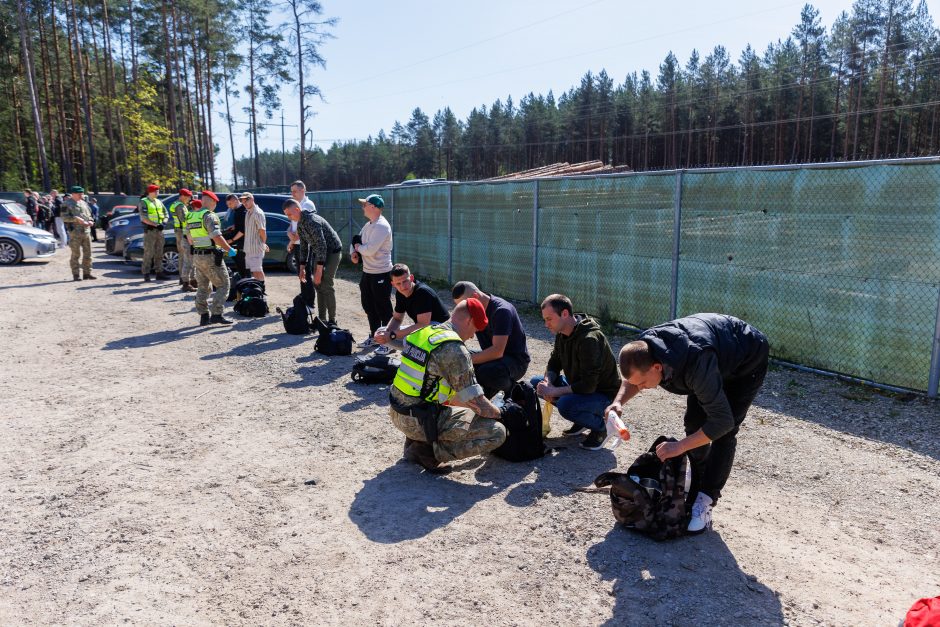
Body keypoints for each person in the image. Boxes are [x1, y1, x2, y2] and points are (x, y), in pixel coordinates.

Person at [605, 313, 770, 533]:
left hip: (747, 358)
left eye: (644, 383)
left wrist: (679, 446)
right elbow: (632, 378)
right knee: (694, 422)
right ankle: (698, 482)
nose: (641, 388)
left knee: (723, 433)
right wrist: (618, 403)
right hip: (713, 353)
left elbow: (722, 422)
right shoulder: (644, 348)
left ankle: (706, 499)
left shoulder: (695, 364)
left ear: (657, 367)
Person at [389, 298, 506, 472]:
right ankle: (428, 451)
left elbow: (435, 388)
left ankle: (417, 440)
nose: (473, 335)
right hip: (419, 420)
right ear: (469, 321)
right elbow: (477, 402)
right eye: (475, 328)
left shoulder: (426, 332)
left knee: (463, 409)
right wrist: (502, 413)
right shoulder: (454, 349)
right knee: (497, 432)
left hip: (398, 412)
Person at [529, 294, 621, 449]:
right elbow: (554, 362)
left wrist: (555, 391)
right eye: (545, 320)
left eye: (549, 319)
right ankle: (582, 420)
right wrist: (548, 382)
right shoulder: (562, 333)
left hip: (603, 395)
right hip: (583, 389)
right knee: (535, 383)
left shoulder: (589, 339)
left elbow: (588, 385)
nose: (546, 324)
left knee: (566, 405)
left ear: (564, 314)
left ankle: (603, 427)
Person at [451, 281, 531, 399]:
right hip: (493, 358)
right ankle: (478, 398)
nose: (464, 310)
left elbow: (497, 351)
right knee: (457, 356)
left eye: (465, 305)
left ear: (476, 297)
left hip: (515, 361)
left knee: (484, 371)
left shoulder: (501, 311)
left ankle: (513, 391)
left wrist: (467, 360)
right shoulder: (474, 311)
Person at [282, 198, 343, 321]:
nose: (289, 217)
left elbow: (322, 245)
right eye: (286, 215)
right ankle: (322, 319)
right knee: (317, 284)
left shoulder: (311, 221)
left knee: (326, 284)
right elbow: (304, 246)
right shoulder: (300, 223)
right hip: (320, 252)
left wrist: (319, 270)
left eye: (290, 214)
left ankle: (332, 321)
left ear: (297, 209)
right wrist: (302, 267)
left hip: (332, 252)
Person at [373, 263, 450, 356]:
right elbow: (397, 318)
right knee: (381, 331)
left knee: (409, 339)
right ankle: (417, 352)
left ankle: (423, 356)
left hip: (443, 330)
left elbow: (423, 324)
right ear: (393, 284)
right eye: (398, 283)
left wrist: (393, 335)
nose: (402, 286)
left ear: (412, 278)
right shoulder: (400, 293)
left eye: (405, 281)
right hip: (427, 329)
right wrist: (387, 333)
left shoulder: (422, 292)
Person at [184, 191, 237, 325]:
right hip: (211, 257)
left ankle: (203, 316)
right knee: (224, 284)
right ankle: (217, 314)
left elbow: (190, 239)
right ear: (212, 202)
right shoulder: (209, 216)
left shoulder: (191, 216)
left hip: (197, 256)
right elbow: (216, 237)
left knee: (203, 287)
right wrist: (229, 249)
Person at [351, 193, 393, 347]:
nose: (363, 207)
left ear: (373, 207)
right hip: (368, 272)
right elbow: (357, 240)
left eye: (365, 204)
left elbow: (369, 250)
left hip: (381, 272)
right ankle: (375, 337)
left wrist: (358, 248)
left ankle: (388, 341)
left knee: (383, 308)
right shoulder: (369, 224)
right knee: (369, 306)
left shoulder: (382, 225)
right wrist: (354, 253)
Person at [60, 186, 96, 281]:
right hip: (75, 233)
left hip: (86, 231)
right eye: (79, 194)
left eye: (82, 194)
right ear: (73, 194)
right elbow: (64, 218)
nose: (81, 195)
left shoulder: (84, 203)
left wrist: (91, 221)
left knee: (88, 254)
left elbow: (89, 215)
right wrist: (76, 219)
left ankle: (87, 273)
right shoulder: (66, 204)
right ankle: (76, 275)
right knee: (76, 254)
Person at [139, 184, 169, 282]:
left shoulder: (159, 202)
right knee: (148, 252)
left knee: (159, 252)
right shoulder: (144, 202)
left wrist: (164, 222)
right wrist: (156, 224)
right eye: (156, 191)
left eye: (158, 191)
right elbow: (143, 218)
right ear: (150, 192)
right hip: (150, 231)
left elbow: (166, 214)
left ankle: (159, 272)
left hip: (160, 230)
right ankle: (146, 273)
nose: (157, 192)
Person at [169, 189, 195, 292]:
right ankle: (185, 280)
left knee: (183, 255)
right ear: (183, 196)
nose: (189, 198)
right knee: (186, 256)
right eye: (188, 196)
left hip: (179, 231)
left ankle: (183, 278)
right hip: (182, 232)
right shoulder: (180, 206)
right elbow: (184, 219)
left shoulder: (177, 204)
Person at [241, 193, 269, 284]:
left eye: (246, 200)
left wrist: (264, 243)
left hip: (256, 247)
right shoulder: (248, 212)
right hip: (249, 248)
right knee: (254, 271)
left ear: (252, 199)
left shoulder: (257, 212)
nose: (244, 203)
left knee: (258, 270)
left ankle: (262, 290)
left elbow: (262, 230)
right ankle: (258, 289)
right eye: (243, 201)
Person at [285, 179, 317, 260]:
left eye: (295, 191)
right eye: (291, 191)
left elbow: (304, 226)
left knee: (305, 271)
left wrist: (292, 240)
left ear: (302, 191)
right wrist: (289, 232)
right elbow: (294, 222)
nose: (292, 194)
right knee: (300, 271)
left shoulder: (308, 205)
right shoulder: (296, 204)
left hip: (306, 244)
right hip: (298, 243)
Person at [224, 194, 247, 277]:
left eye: (230, 204)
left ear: (236, 201)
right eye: (228, 205)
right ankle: (243, 278)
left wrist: (231, 240)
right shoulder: (237, 210)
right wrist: (234, 226)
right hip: (237, 240)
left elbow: (242, 230)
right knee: (237, 260)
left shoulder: (243, 211)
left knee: (241, 263)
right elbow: (240, 224)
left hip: (241, 242)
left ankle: (245, 280)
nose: (229, 206)